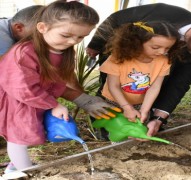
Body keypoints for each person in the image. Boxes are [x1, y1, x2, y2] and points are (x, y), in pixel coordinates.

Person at [86, 3, 191, 137]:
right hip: (122, 54)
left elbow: (179, 83)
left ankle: (144, 122)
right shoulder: (164, 13)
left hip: (153, 77)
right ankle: (108, 126)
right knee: (113, 88)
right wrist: (96, 44)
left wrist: (159, 118)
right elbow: (115, 19)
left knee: (153, 87)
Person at [0, 1, 118, 172]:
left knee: (27, 133)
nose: (73, 41)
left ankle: (17, 164)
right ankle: (21, 171)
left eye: (81, 37)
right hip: (18, 101)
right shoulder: (24, 53)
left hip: (34, 100)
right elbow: (21, 88)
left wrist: (83, 100)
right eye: (66, 35)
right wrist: (53, 104)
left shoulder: (59, 50)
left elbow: (55, 83)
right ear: (42, 27)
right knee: (18, 138)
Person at [99, 21, 182, 123]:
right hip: (114, 101)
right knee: (115, 130)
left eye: (167, 48)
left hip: (141, 103)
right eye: (155, 47)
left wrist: (144, 109)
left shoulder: (164, 61)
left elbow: (154, 87)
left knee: (136, 130)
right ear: (137, 42)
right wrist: (127, 107)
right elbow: (113, 86)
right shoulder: (118, 58)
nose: (162, 52)